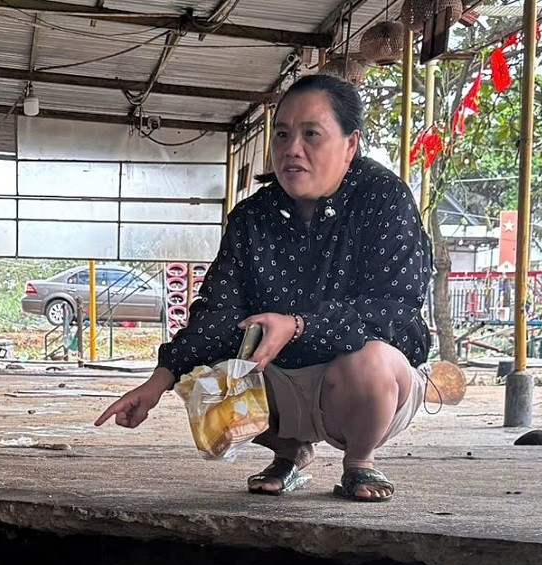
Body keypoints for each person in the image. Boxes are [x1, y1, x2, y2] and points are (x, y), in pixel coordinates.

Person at [95, 74, 432, 501]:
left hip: (362, 387)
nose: (293, 149)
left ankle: (359, 464)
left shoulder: (383, 199)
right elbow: (217, 311)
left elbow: (395, 311)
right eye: (283, 134)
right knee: (206, 377)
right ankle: (289, 453)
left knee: (370, 362)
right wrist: (158, 382)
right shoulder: (252, 216)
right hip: (280, 378)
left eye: (312, 134)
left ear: (350, 145)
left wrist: (299, 325)